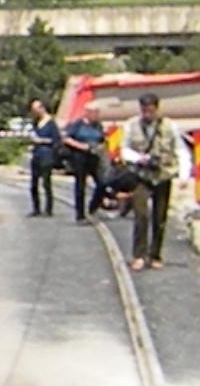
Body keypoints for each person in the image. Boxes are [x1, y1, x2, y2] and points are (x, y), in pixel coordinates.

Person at [121, 92, 180, 271]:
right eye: (144, 110)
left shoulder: (169, 126)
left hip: (163, 175)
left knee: (159, 217)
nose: (147, 114)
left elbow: (180, 149)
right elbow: (124, 149)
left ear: (157, 108)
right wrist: (139, 158)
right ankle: (139, 254)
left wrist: (184, 175)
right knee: (141, 215)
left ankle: (155, 255)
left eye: (151, 110)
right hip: (141, 175)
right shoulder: (131, 125)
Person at [61, 102, 107, 222]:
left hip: (94, 157)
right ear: (87, 113)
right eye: (95, 112)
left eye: (98, 112)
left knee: (102, 183)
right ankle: (80, 214)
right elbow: (67, 139)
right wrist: (82, 146)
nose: (97, 115)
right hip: (80, 157)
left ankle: (93, 207)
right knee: (80, 185)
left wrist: (99, 147)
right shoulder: (77, 124)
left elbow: (102, 139)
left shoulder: (98, 125)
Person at [27, 99, 60, 216]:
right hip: (36, 155)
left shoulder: (51, 123)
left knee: (46, 183)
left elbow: (56, 140)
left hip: (47, 155)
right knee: (33, 184)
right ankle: (36, 208)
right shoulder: (35, 123)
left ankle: (48, 209)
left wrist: (42, 141)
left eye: (36, 110)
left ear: (42, 108)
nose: (34, 113)